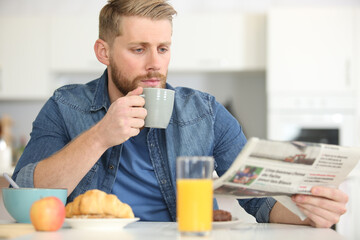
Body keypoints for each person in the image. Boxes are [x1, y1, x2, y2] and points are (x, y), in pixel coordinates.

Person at [12, 0, 347, 227]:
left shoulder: (205, 111)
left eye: (163, 48)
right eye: (138, 49)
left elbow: (256, 198)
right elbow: (28, 193)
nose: (155, 64)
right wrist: (101, 135)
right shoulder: (65, 105)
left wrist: (309, 219)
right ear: (104, 52)